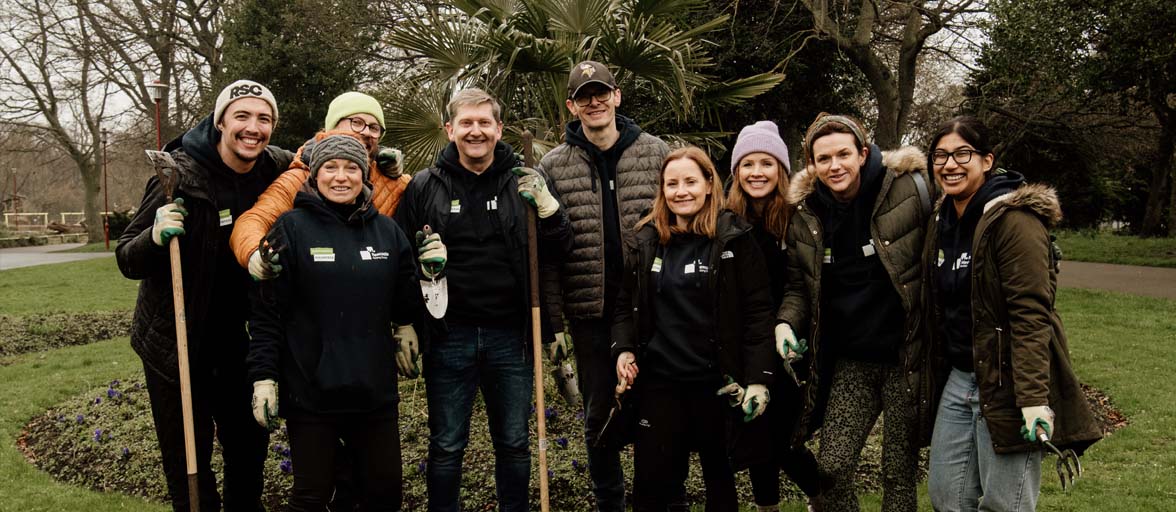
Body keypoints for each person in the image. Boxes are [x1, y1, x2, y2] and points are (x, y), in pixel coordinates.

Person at [394, 88, 572, 512]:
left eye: (484, 123)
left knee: (513, 442)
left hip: (511, 335)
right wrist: (406, 320)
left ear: (499, 129)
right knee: (447, 445)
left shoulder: (525, 181)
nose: (476, 131)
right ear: (450, 129)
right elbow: (401, 259)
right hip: (447, 333)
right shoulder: (424, 186)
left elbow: (559, 250)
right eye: (467, 123)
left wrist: (548, 210)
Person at [116, 79, 292, 511]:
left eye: (264, 118)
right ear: (220, 123)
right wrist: (154, 237)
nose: (253, 127)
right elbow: (126, 257)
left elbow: (329, 160)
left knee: (249, 456)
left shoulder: (277, 166)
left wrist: (380, 171)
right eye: (242, 116)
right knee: (188, 466)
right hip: (176, 343)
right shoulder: (179, 175)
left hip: (239, 341)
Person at [922, 116, 1101, 511]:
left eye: (961, 154)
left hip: (1008, 382)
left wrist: (1034, 399)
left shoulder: (1014, 221)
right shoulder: (942, 219)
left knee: (1006, 504)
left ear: (987, 161)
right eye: (940, 156)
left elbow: (1031, 314)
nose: (949, 164)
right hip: (959, 378)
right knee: (946, 497)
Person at [246, 133, 423, 511]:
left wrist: (409, 318)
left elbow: (405, 295)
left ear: (364, 175)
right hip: (312, 393)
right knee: (311, 497)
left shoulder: (387, 232)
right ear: (314, 175)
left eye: (351, 168)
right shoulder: (290, 230)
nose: (340, 177)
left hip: (373, 393)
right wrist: (264, 377)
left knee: (385, 492)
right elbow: (266, 313)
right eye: (331, 167)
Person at [774, 112, 933, 512]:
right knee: (832, 467)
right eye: (823, 158)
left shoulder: (908, 189)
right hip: (851, 361)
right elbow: (798, 286)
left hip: (904, 358)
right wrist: (785, 322)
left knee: (898, 474)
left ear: (863, 153)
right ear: (811, 164)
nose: (835, 165)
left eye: (843, 154)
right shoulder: (807, 213)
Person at [612, 146, 776, 512]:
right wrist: (623, 350)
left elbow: (759, 314)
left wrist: (758, 379)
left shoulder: (734, 238)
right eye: (672, 183)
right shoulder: (646, 239)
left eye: (690, 181)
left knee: (719, 482)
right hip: (660, 383)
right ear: (662, 190)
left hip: (716, 384)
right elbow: (624, 305)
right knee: (651, 489)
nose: (680, 191)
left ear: (708, 185)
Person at [538, 59, 670, 512]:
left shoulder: (656, 152)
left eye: (601, 92)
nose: (594, 102)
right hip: (589, 308)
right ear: (572, 107)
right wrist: (552, 320)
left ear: (616, 96)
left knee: (660, 410)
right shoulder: (553, 165)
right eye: (583, 96)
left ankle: (664, 501)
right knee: (600, 415)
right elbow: (549, 252)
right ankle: (609, 503)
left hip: (652, 306)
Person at [724, 121, 828, 511]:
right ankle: (768, 507)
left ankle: (819, 498)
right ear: (736, 172)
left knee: (784, 441)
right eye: (748, 164)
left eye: (766, 163)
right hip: (746, 345)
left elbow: (800, 284)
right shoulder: (725, 220)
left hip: (788, 345)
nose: (756, 172)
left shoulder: (797, 217)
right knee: (756, 439)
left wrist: (789, 326)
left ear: (780, 169)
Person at [230, 91, 411, 281]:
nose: (366, 131)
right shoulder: (299, 178)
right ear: (332, 126)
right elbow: (253, 220)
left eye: (374, 127)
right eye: (356, 122)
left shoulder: (392, 180)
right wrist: (254, 254)